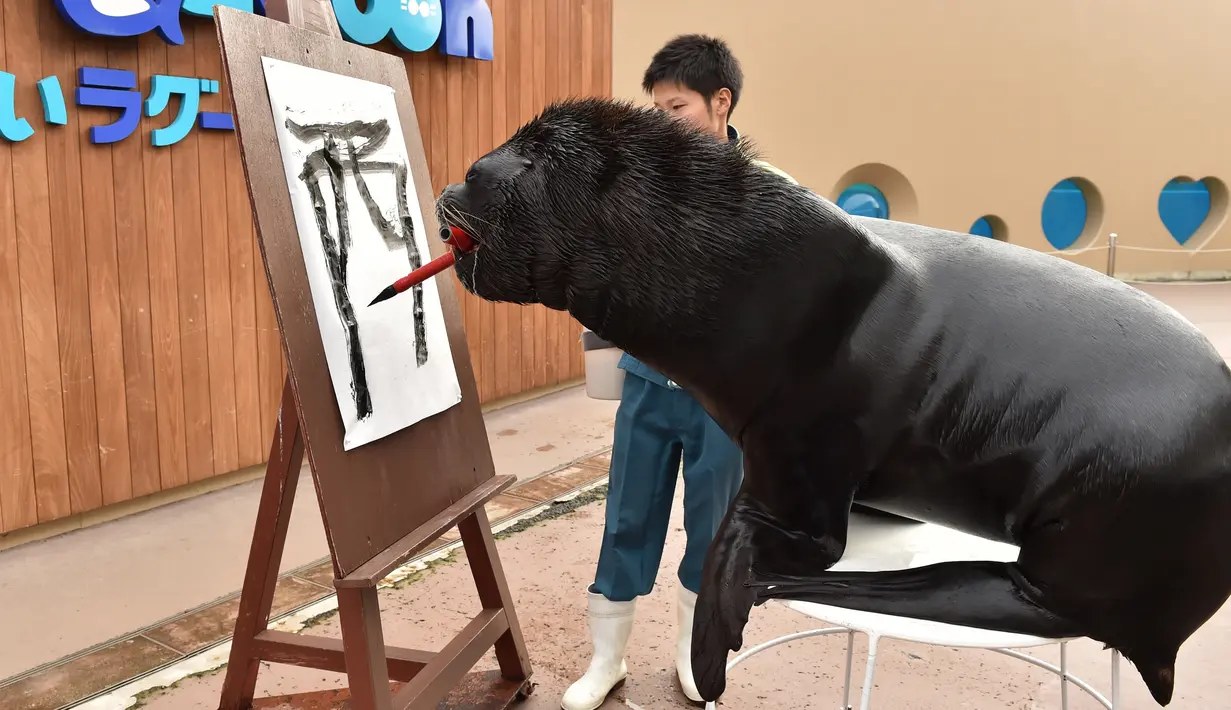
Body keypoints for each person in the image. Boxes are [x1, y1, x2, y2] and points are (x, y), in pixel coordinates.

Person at [562, 34, 798, 710]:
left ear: (719, 102)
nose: (661, 120)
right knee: (626, 520)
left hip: (720, 399)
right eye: (655, 108)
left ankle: (694, 657)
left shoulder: (766, 189)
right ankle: (605, 659)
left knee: (713, 525)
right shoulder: (637, 188)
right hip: (645, 383)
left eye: (676, 107)